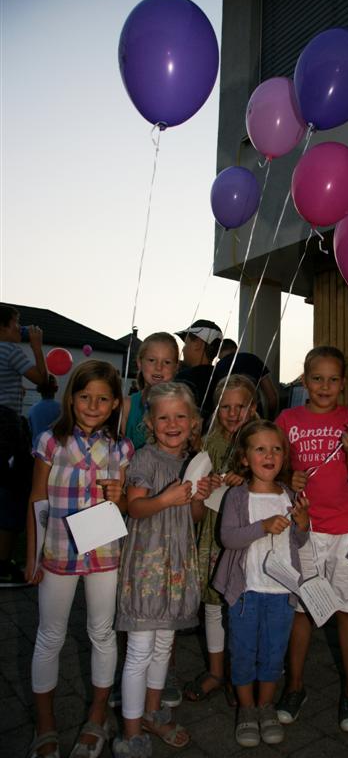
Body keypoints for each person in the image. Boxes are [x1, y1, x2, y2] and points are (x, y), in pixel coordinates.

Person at [25, 360, 133, 758]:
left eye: (103, 399)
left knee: (101, 633)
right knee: (49, 635)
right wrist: (32, 556)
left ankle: (97, 715)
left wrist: (120, 498)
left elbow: (122, 508)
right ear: (71, 398)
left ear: (116, 403)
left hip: (104, 553)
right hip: (58, 552)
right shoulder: (50, 442)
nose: (93, 405)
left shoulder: (122, 448)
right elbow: (37, 497)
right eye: (85, 396)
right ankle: (45, 724)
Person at [113, 383, 212, 758]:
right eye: (164, 418)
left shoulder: (193, 462)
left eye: (180, 416)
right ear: (151, 424)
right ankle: (131, 730)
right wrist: (166, 498)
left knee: (164, 645)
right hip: (147, 566)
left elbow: (194, 517)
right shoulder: (144, 459)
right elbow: (135, 508)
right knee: (139, 650)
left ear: (193, 422)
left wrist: (198, 498)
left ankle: (152, 712)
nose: (173, 424)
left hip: (177, 566)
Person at [275, 345, 348, 732]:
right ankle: (294, 687)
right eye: (317, 379)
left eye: (332, 380)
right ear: (304, 380)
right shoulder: (287, 419)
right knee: (302, 612)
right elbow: (273, 467)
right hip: (306, 530)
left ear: (343, 384)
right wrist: (287, 477)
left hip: (347, 529)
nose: (324, 386)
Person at [213, 421, 309, 748]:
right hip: (246, 592)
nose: (269, 455)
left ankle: (266, 706)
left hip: (281, 593)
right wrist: (262, 527)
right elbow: (228, 538)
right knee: (242, 651)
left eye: (276, 449)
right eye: (260, 449)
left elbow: (299, 541)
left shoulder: (290, 495)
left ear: (284, 457)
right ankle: (247, 708)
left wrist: (303, 524)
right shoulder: (237, 496)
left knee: (273, 653)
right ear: (244, 458)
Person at [184, 374, 258, 705]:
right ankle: (216, 671)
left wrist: (247, 477)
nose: (232, 413)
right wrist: (208, 485)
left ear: (252, 408)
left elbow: (275, 476)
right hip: (214, 533)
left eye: (240, 406)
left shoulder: (261, 439)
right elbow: (195, 490)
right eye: (225, 407)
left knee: (243, 606)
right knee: (214, 605)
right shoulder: (208, 444)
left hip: (248, 534)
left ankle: (240, 673)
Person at [0, 304, 48, 587]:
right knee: (13, 493)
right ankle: (3, 565)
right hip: (5, 426)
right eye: (17, 323)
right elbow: (43, 381)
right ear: (4, 327)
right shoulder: (9, 350)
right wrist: (37, 347)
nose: (21, 328)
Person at [122, 332, 179, 450]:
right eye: (152, 360)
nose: (159, 367)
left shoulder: (182, 407)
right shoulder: (127, 406)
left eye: (167, 362)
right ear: (139, 363)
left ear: (176, 367)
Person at [212, 339, 279, 419]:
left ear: (218, 353)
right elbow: (272, 397)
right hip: (254, 418)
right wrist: (270, 420)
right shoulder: (253, 359)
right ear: (236, 349)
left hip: (229, 419)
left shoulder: (217, 367)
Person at [174, 319, 222, 422]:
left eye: (186, 344)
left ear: (198, 344)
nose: (183, 349)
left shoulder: (184, 379)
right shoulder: (222, 379)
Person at [28, 375, 60, 447]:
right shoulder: (61, 409)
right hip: (56, 449)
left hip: (37, 449)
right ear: (56, 389)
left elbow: (30, 432)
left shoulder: (32, 409)